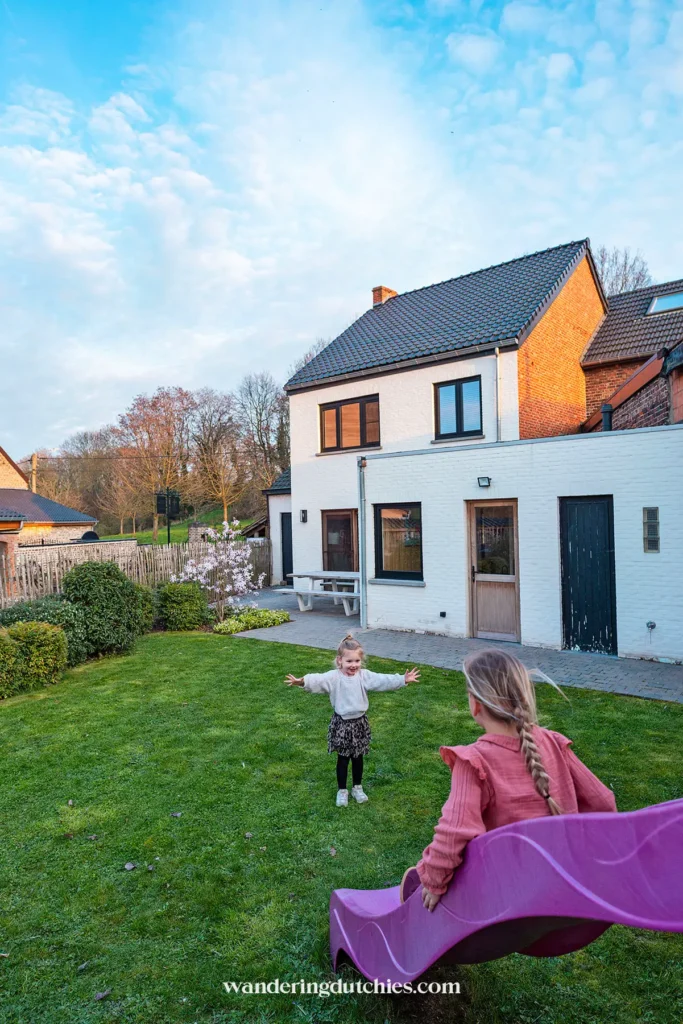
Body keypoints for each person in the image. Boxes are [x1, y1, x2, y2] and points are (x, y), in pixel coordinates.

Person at [402, 648, 617, 911]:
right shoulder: (553, 743)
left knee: (443, 869)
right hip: (562, 886)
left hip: (507, 895)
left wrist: (433, 883)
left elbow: (453, 832)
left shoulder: (473, 761)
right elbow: (604, 803)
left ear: (476, 704)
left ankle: (419, 882)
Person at [286, 634, 420, 806]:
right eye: (349, 661)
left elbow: (382, 680)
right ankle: (342, 790)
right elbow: (318, 679)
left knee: (358, 758)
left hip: (359, 724)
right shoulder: (334, 677)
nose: (353, 665)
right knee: (343, 758)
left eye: (357, 661)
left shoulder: (364, 676)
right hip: (341, 724)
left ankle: (357, 787)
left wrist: (402, 679)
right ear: (339, 661)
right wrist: (302, 681)